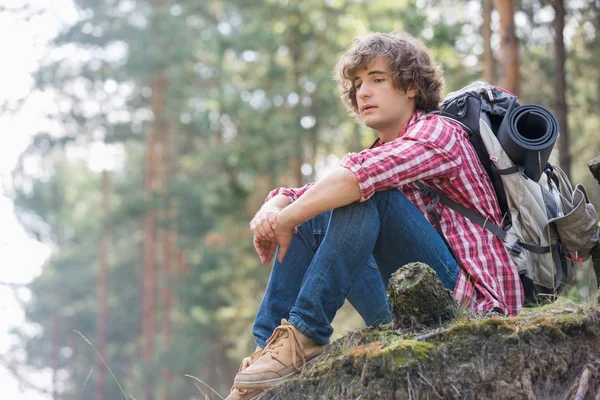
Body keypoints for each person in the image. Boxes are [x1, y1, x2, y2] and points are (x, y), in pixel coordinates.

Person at [226, 31, 523, 400]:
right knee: (317, 210)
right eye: (357, 83)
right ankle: (266, 355)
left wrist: (287, 217)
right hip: (408, 303)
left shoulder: (440, 133)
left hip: (474, 309)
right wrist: (273, 209)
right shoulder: (383, 150)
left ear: (412, 86)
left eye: (377, 80)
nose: (362, 92)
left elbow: (359, 179)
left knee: (367, 194)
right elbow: (304, 196)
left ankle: (306, 335)